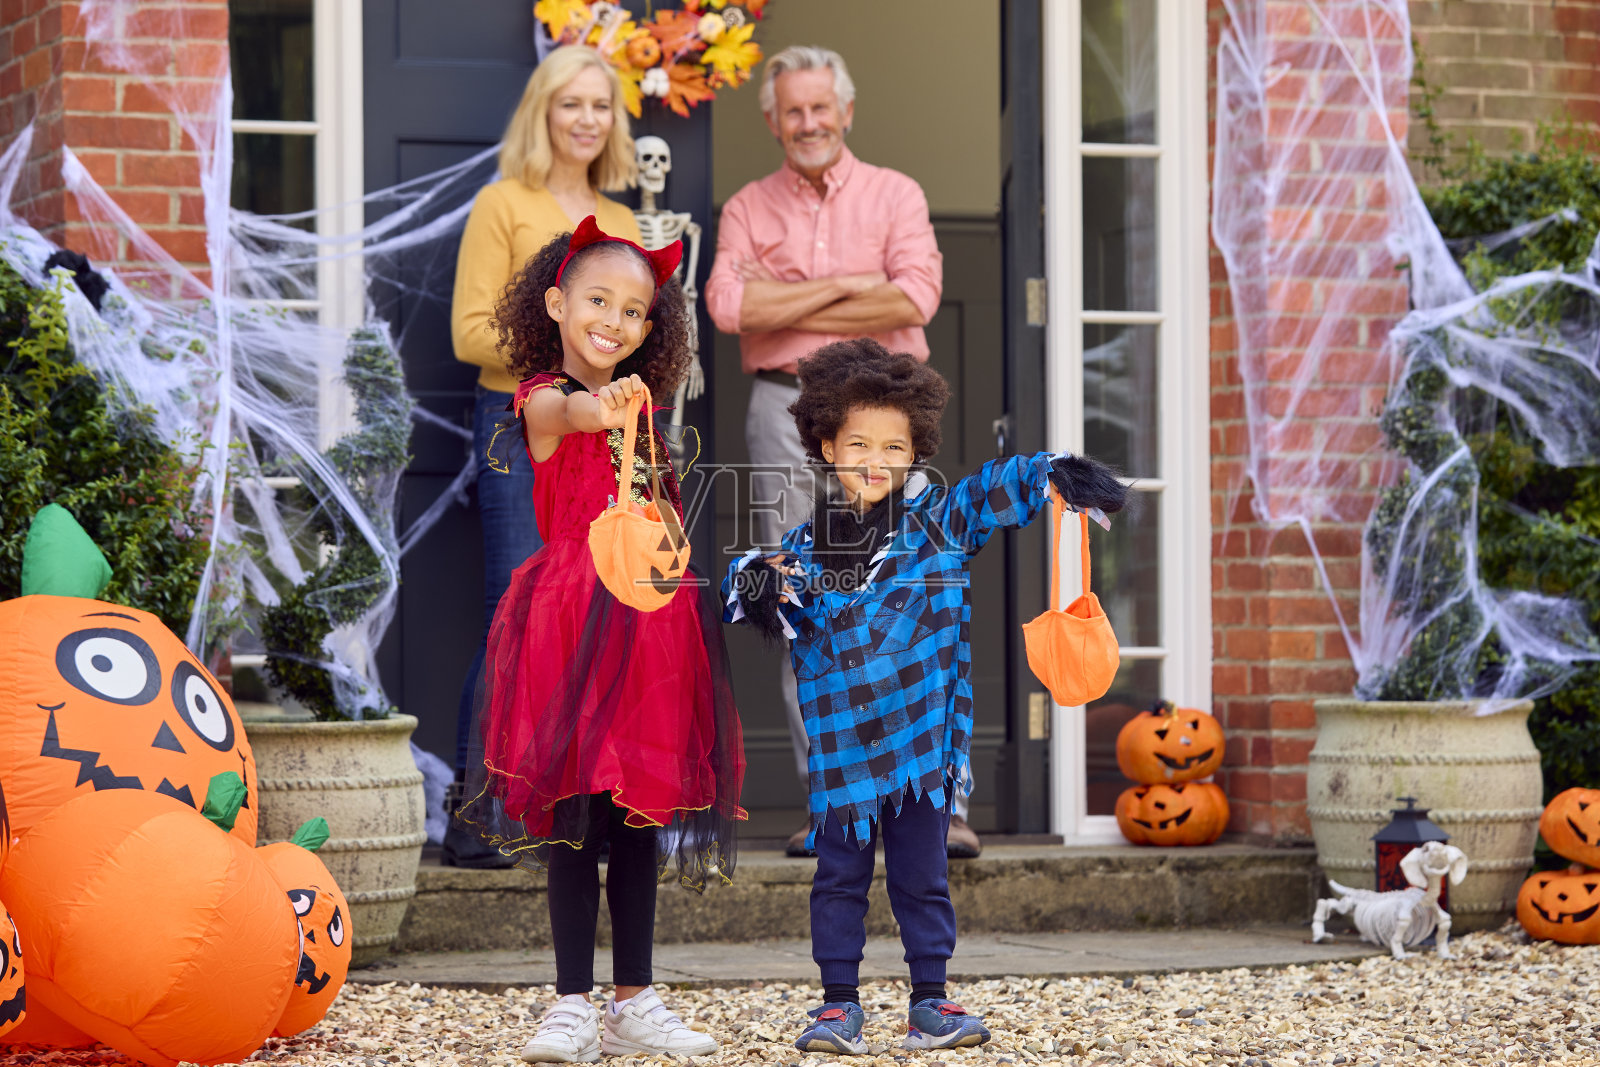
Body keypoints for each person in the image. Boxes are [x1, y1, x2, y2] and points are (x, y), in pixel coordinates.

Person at [723, 339, 1127, 1056]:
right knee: (838, 879)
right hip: (844, 756)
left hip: (921, 752)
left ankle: (931, 1002)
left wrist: (1052, 473)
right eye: (858, 445)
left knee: (923, 877)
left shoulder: (939, 523)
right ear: (826, 447)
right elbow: (748, 579)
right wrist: (760, 584)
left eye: (893, 446)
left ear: (914, 453)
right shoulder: (806, 547)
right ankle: (837, 1006)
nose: (875, 460)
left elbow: (991, 489)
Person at [457, 218, 745, 1062]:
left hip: (646, 627)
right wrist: (608, 405)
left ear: (649, 328)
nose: (612, 321)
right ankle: (572, 1003)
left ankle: (635, 998)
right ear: (556, 304)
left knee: (637, 815)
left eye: (631, 311)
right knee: (574, 817)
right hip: (568, 625)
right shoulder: (543, 398)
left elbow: (659, 514)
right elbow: (571, 411)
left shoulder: (644, 415)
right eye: (596, 301)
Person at [701, 46, 968, 858]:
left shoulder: (897, 193)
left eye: (821, 107)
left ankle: (940, 804)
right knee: (803, 598)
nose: (808, 122)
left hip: (887, 414)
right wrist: (854, 288)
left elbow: (915, 294)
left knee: (917, 597)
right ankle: (837, 808)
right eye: (793, 110)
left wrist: (784, 298)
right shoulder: (748, 206)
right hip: (783, 410)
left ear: (846, 111)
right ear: (772, 120)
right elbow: (728, 307)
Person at [444, 46, 648, 869]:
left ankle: (560, 812)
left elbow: (635, 336)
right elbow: (469, 333)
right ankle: (475, 819)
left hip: (602, 437)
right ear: (544, 112)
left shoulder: (623, 221)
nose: (587, 119)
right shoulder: (503, 203)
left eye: (601, 105)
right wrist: (562, 361)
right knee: (517, 613)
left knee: (586, 620)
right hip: (519, 422)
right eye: (571, 103)